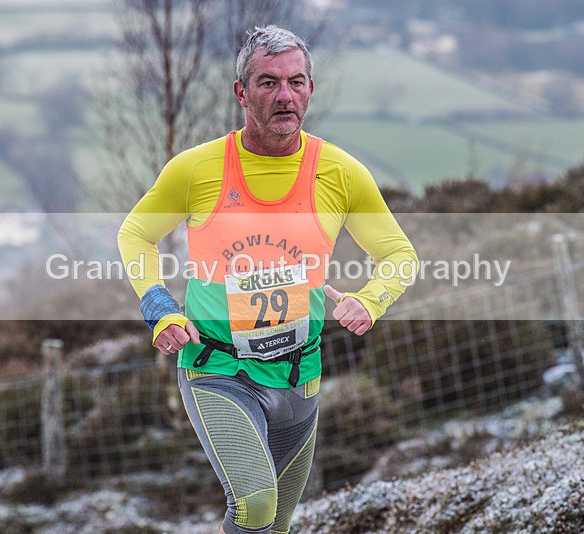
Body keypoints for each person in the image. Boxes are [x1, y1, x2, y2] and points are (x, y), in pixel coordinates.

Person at [118, 25, 417, 534]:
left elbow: (398, 255)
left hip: (300, 378)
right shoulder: (196, 170)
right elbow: (135, 234)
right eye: (268, 82)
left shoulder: (339, 173)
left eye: (296, 82)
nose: (285, 95)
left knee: (275, 523)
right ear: (241, 92)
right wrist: (158, 307)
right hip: (219, 370)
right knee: (253, 506)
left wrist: (371, 300)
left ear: (310, 89)